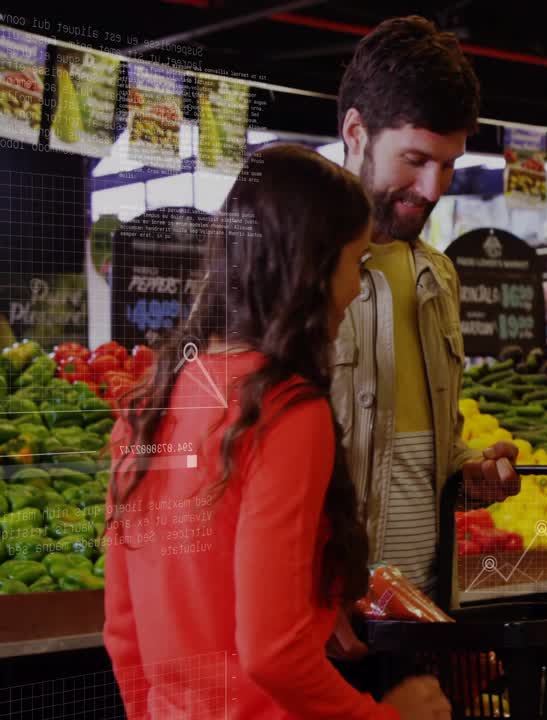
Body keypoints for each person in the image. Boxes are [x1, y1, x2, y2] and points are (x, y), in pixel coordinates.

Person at [103, 144, 449, 720]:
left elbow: (123, 628)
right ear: (310, 268)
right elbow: (273, 655)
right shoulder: (286, 412)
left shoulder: (147, 404)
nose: (357, 290)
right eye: (355, 264)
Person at [332, 15, 519, 606]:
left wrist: (469, 471)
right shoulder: (293, 272)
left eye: (449, 164)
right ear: (357, 133)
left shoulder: (438, 277)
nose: (434, 188)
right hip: (328, 621)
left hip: (424, 609)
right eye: (415, 159)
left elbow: (412, 452)